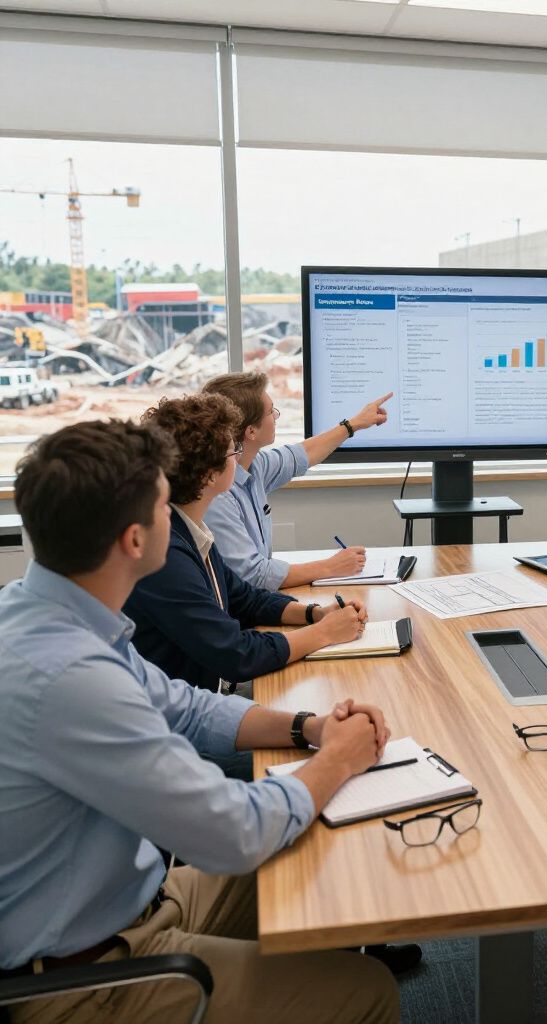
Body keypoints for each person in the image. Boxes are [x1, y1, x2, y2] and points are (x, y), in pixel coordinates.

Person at [0, 418, 399, 1024]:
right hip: (85, 978)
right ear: (135, 540)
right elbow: (230, 833)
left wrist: (309, 727)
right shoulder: (70, 678)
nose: (179, 517)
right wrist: (337, 759)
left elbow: (187, 706)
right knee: (367, 991)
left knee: (316, 860)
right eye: (165, 503)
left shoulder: (49, 616)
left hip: (138, 900)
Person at [124, 394, 367, 698]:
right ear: (208, 474)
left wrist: (315, 614)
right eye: (233, 452)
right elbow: (237, 654)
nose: (239, 459)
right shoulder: (166, 556)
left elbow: (245, 600)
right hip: (180, 722)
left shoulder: (190, 530)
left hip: (205, 696)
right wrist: (324, 633)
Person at [202, 372, 392, 589]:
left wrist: (354, 425)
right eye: (270, 411)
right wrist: (330, 567)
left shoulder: (254, 466)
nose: (275, 416)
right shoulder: (217, 494)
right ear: (251, 431)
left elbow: (301, 454)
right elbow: (253, 575)